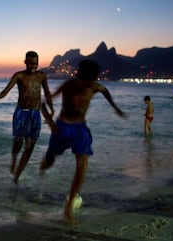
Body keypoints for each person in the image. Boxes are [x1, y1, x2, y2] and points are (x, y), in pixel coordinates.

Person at [39, 60, 126, 224]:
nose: (88, 84)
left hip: (80, 129)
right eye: (86, 80)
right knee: (49, 162)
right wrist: (50, 122)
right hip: (62, 128)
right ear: (80, 75)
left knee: (82, 166)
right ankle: (44, 166)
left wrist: (115, 107)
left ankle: (68, 207)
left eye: (91, 81)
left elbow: (105, 90)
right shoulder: (68, 85)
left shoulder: (94, 86)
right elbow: (42, 103)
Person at [0, 51, 54, 184]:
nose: (33, 65)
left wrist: (51, 109)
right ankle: (14, 159)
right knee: (18, 141)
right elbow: (6, 90)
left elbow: (47, 93)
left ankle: (17, 176)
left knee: (30, 145)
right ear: (25, 62)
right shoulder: (19, 75)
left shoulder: (41, 76)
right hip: (21, 112)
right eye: (31, 63)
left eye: (35, 63)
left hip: (35, 113)